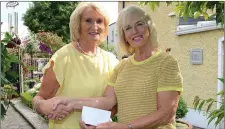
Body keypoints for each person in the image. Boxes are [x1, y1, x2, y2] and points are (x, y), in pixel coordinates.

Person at [52, 5, 183, 129]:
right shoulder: (121, 66)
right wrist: (87, 115)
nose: (135, 31)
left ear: (149, 27)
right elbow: (108, 101)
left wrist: (126, 127)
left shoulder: (166, 62)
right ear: (124, 36)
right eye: (128, 28)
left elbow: (166, 114)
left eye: (139, 24)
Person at [32, 2, 119, 129]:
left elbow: (114, 105)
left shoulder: (111, 61)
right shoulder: (63, 57)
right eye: (88, 20)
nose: (95, 26)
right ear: (78, 25)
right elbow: (39, 98)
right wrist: (43, 107)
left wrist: (94, 120)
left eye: (99, 21)